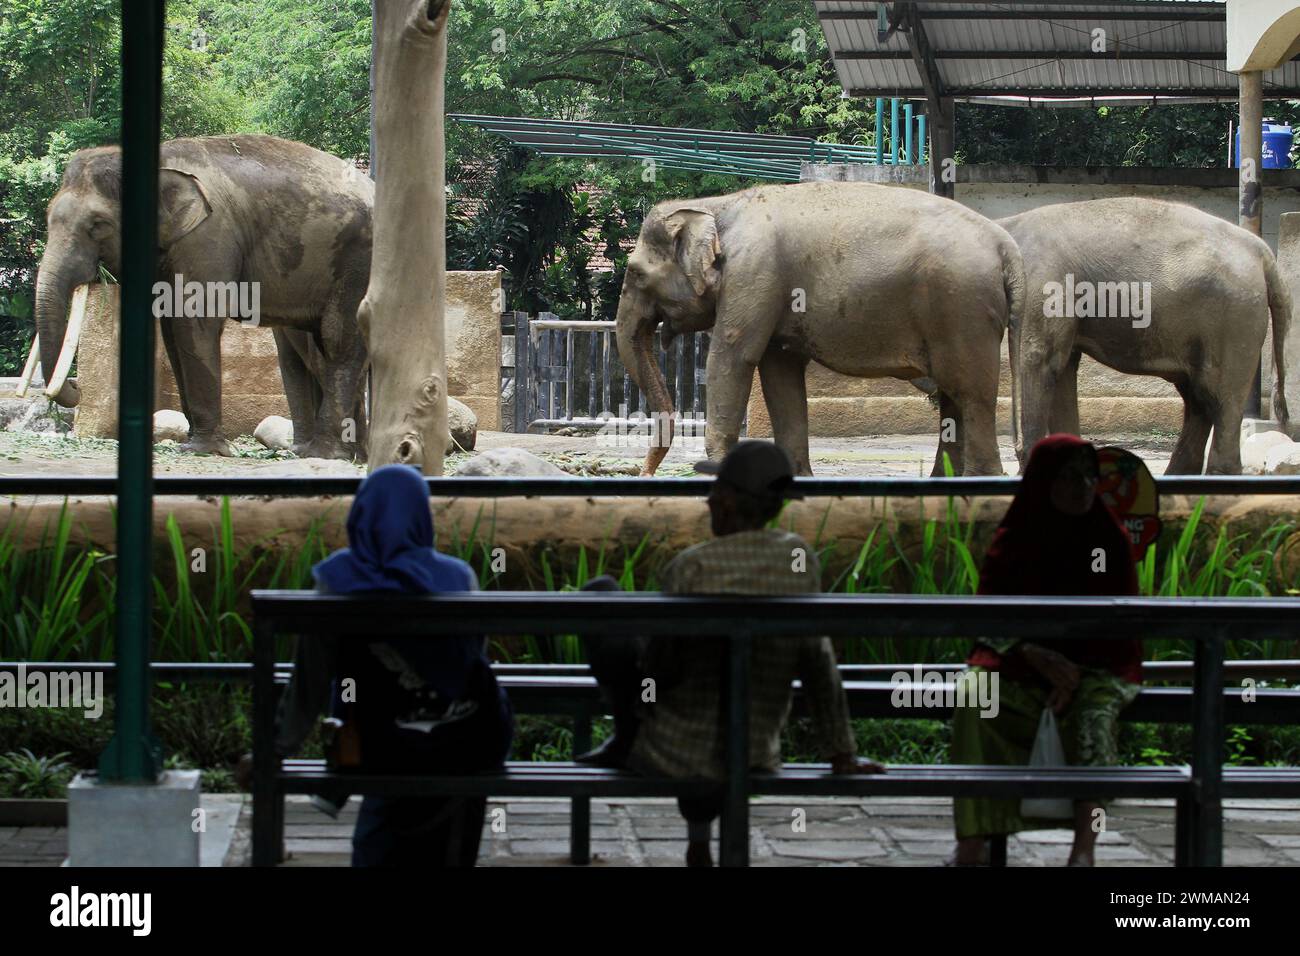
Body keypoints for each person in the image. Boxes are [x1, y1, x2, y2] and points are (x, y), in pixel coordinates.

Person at [577, 440, 885, 866]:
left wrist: (639, 693)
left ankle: (630, 736)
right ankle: (699, 841)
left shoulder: (691, 567)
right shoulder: (799, 561)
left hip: (673, 751)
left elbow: (660, 669)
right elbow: (818, 660)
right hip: (756, 748)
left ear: (725, 502)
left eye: (714, 490)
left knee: (600, 596)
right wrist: (841, 753)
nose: (707, 499)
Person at [243, 464, 513, 867]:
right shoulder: (458, 577)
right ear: (422, 516)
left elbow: (311, 680)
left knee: (357, 685)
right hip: (472, 740)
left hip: (379, 745)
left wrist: (275, 749)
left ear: (361, 515)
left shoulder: (337, 579)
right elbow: (472, 663)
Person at [950, 434, 1142, 866]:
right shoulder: (1018, 538)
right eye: (1070, 477)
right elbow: (991, 617)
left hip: (1095, 671)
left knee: (1093, 720)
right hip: (1020, 663)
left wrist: (1074, 672)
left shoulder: (1105, 541)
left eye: (1090, 477)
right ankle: (972, 841)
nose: (1083, 488)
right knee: (975, 697)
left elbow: (1118, 623)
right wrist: (1032, 655)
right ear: (1043, 482)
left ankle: (1084, 850)